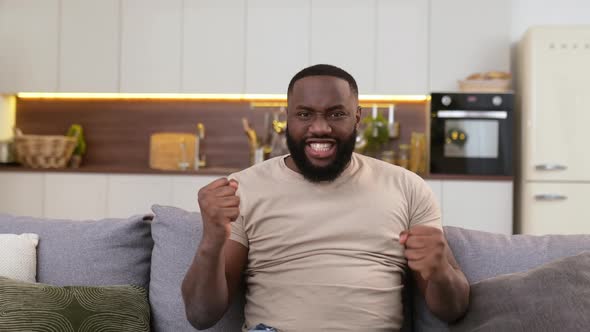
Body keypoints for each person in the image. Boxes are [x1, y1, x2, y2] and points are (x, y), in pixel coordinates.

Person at [181, 64, 470, 331]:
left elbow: (453, 310)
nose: (320, 128)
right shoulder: (242, 188)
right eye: (305, 114)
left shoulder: (407, 187)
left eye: (336, 114)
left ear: (357, 116)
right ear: (288, 117)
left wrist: (441, 270)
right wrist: (211, 240)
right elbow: (200, 315)